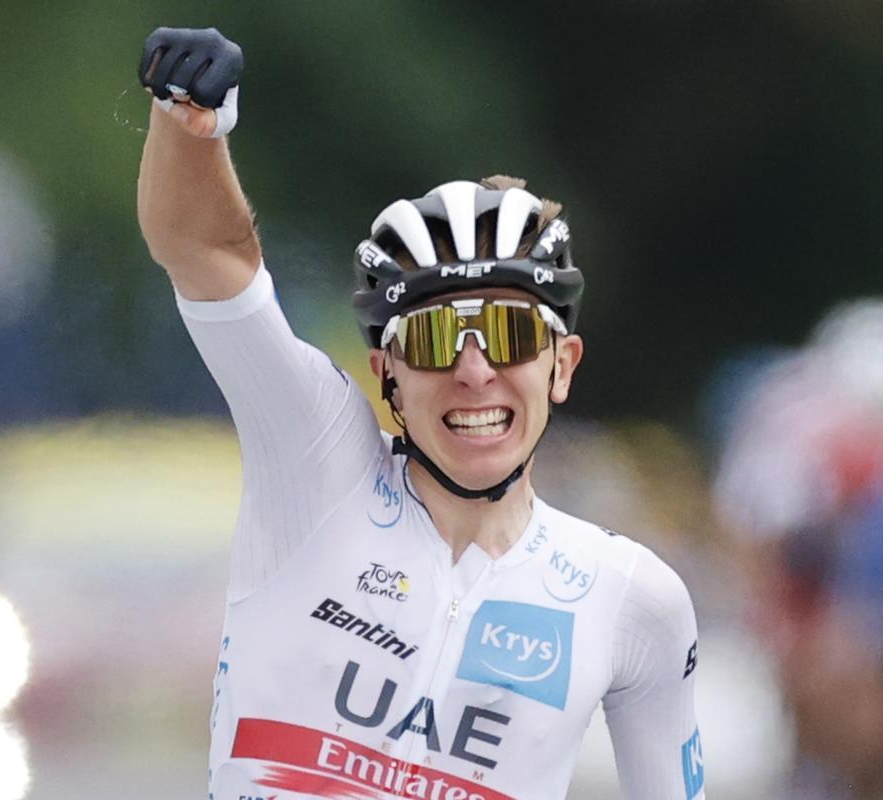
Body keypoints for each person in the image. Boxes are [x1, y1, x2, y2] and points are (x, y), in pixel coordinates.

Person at [136, 26, 704, 800]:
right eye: (435, 340)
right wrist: (188, 123)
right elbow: (208, 252)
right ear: (388, 376)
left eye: (510, 335)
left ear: (562, 366)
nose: (474, 372)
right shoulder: (316, 458)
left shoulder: (633, 600)